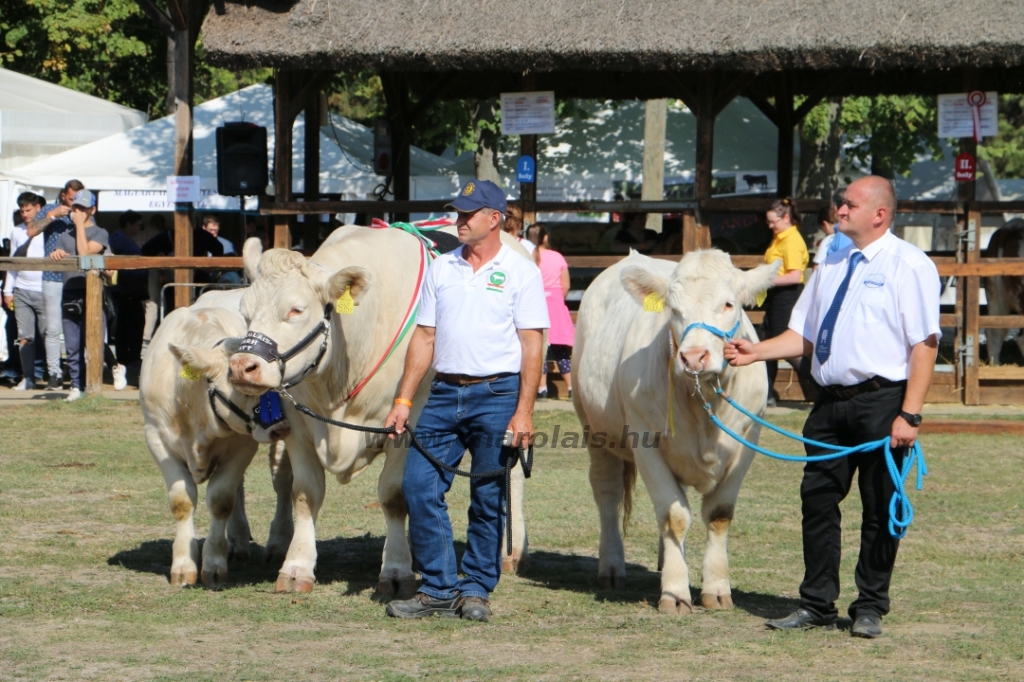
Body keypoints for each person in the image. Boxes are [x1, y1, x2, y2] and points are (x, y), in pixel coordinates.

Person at [725, 176, 940, 639]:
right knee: (817, 500)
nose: (838, 211)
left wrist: (911, 414)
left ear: (878, 214)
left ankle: (870, 606)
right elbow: (803, 332)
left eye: (848, 205)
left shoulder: (910, 264)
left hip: (884, 402)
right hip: (828, 403)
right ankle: (817, 603)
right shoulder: (831, 254)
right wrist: (754, 351)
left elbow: (925, 344)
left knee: (880, 507)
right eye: (840, 204)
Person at [383, 179, 548, 622]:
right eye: (457, 212)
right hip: (442, 394)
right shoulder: (442, 268)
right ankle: (438, 587)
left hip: (499, 393)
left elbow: (533, 345)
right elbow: (425, 336)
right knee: (418, 485)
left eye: (468, 214)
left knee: (488, 494)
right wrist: (403, 398)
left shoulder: (522, 272)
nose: (459, 220)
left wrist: (525, 411)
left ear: (494, 218)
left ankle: (475, 588)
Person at [49, 190, 110, 402]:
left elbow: (85, 255)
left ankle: (94, 387)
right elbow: (57, 265)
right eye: (76, 208)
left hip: (92, 295)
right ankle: (76, 386)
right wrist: (56, 255)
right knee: (72, 345)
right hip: (70, 293)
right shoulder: (64, 236)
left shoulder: (100, 233)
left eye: (83, 209)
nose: (78, 212)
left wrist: (80, 227)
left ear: (92, 210)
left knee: (94, 344)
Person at [25, 179, 85, 390]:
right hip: (52, 275)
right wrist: (52, 216)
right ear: (63, 196)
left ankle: (78, 371)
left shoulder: (83, 211)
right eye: (71, 198)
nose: (74, 202)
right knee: (52, 328)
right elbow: (31, 230)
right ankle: (54, 374)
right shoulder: (50, 209)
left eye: (78, 198)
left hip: (76, 276)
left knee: (79, 326)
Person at [760, 197, 810, 406]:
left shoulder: (791, 240)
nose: (770, 226)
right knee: (765, 344)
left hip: (787, 295)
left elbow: (795, 275)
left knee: (787, 348)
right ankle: (767, 394)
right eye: (769, 222)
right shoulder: (779, 237)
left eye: (773, 222)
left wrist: (766, 280)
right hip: (775, 296)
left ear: (786, 218)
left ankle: (818, 384)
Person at [3, 193, 48, 390]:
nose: (25, 214)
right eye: (22, 211)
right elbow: (13, 262)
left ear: (38, 207)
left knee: (48, 334)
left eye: (28, 210)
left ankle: (51, 373)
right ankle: (28, 376)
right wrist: (7, 290)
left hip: (45, 287)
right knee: (24, 335)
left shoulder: (49, 229)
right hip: (22, 288)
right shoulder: (16, 231)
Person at [528, 223, 575, 400]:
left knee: (540, 350)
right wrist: (557, 298)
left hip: (537, 303)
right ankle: (571, 388)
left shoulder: (529, 257)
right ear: (545, 237)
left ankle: (542, 390)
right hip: (555, 303)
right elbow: (566, 285)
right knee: (562, 351)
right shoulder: (557, 257)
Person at [107, 210, 148, 372]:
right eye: (137, 224)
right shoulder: (117, 238)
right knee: (128, 324)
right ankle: (127, 358)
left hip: (132, 290)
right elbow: (109, 254)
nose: (139, 227)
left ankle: (131, 357)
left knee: (135, 323)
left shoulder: (126, 239)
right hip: (125, 290)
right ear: (128, 224)